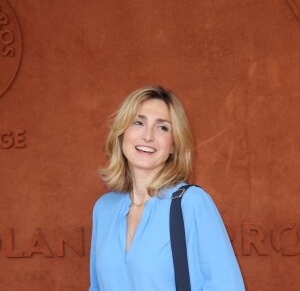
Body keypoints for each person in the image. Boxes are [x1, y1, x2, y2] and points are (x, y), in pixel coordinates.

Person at [89, 86, 245, 291]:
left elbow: (227, 287)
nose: (148, 136)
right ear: (121, 134)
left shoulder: (192, 202)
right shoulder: (104, 208)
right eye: (138, 122)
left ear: (173, 145)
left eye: (162, 127)